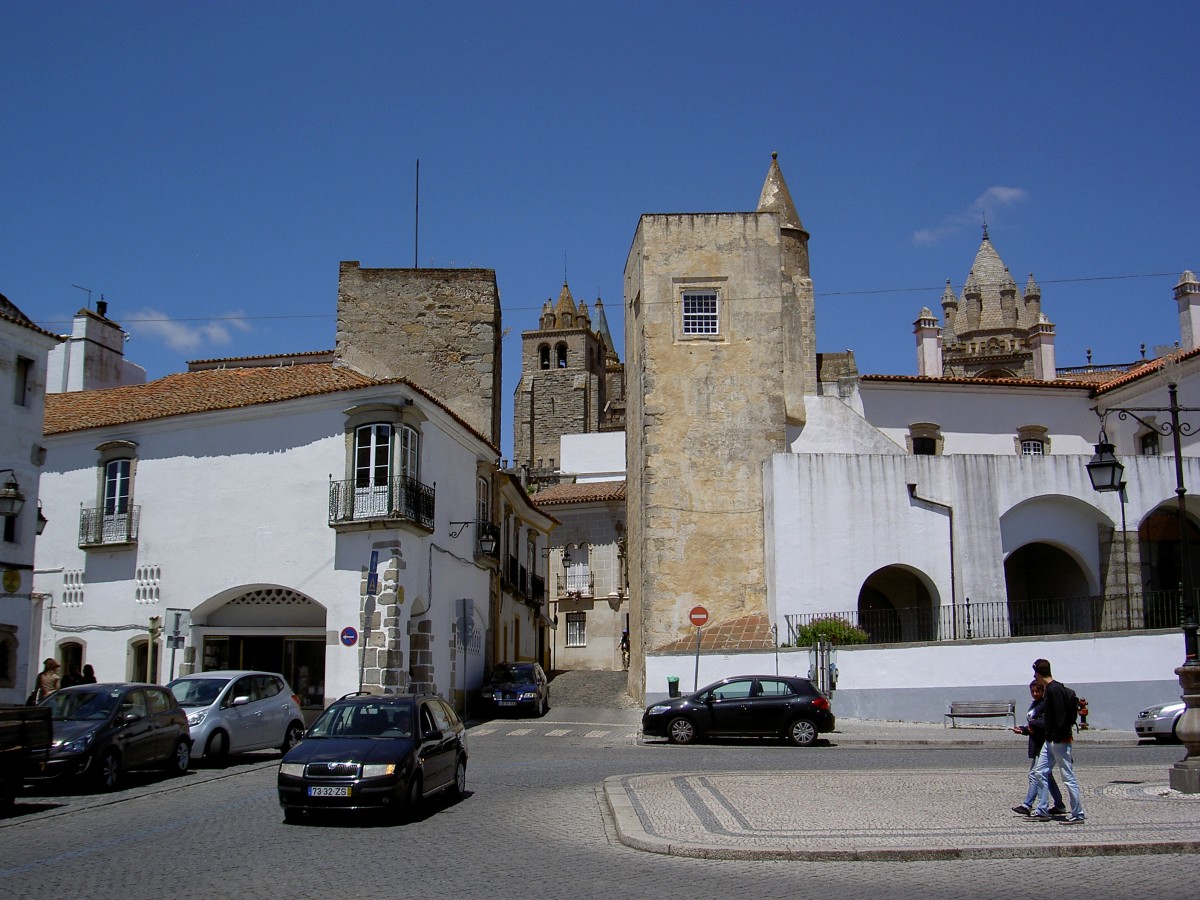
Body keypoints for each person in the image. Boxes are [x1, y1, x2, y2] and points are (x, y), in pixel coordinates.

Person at [1028, 658, 1086, 825]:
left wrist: (1055, 735)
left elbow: (1059, 717)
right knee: (1039, 772)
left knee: (1068, 776)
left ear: (1038, 673)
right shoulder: (1050, 689)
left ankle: (1078, 813)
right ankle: (1042, 809)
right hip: (1050, 740)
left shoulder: (1054, 690)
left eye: (1035, 674)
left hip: (1059, 740)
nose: (1035, 677)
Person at [1011, 679, 1064, 816]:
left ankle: (1028, 805)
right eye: (1033, 691)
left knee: (1035, 774)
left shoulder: (1045, 704)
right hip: (1036, 742)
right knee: (1047, 776)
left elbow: (1043, 723)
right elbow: (1033, 724)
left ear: (1043, 691)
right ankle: (1059, 805)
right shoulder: (1035, 704)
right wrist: (1024, 730)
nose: (1035, 693)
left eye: (1037, 691)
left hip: (1044, 744)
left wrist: (1029, 727)